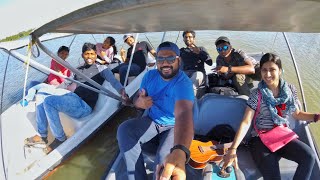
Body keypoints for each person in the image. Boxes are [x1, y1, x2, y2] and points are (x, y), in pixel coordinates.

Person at [222, 53, 318, 180]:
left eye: (272, 70)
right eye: (264, 70)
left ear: (280, 71)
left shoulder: (290, 90)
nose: (267, 75)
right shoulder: (256, 94)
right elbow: (246, 122)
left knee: (309, 157)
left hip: (281, 135)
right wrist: (233, 149)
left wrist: (316, 116)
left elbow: (297, 114)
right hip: (260, 139)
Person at [25, 42, 129, 153]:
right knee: (41, 95)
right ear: (82, 55)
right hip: (73, 97)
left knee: (49, 102)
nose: (89, 57)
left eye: (92, 54)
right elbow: (67, 83)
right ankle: (42, 136)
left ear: (96, 54)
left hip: (84, 106)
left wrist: (122, 91)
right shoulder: (78, 69)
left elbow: (113, 81)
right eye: (87, 54)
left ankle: (60, 139)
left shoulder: (102, 68)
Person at [117, 41, 194, 180]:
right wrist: (139, 103)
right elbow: (137, 101)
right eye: (160, 59)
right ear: (156, 60)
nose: (165, 63)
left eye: (170, 58)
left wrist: (180, 150)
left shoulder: (183, 83)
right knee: (124, 129)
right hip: (152, 120)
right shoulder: (148, 76)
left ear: (179, 60)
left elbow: (184, 114)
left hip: (173, 126)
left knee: (163, 162)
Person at [180, 30, 213, 97]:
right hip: (185, 73)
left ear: (194, 39)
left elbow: (210, 62)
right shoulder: (181, 51)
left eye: (190, 37)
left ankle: (189, 100)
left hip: (198, 73)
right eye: (185, 37)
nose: (187, 39)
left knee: (195, 78)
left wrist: (199, 53)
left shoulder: (201, 49)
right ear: (183, 39)